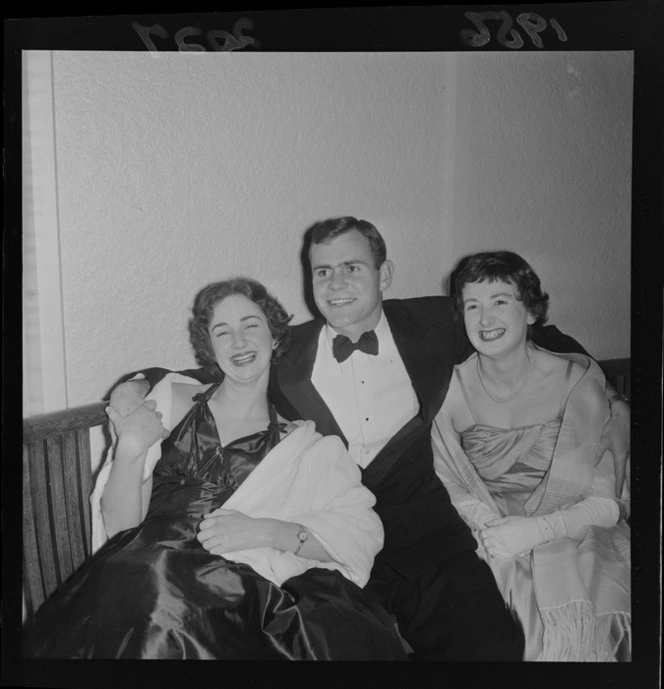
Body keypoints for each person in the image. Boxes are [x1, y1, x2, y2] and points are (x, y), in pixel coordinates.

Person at [110, 217, 630, 660]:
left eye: (352, 267)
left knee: (487, 644)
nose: (336, 282)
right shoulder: (284, 351)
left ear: (384, 274)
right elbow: (214, 367)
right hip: (333, 547)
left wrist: (609, 393)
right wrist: (133, 385)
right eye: (323, 271)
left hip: (431, 537)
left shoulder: (434, 323)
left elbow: (531, 334)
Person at [22, 278, 408, 660]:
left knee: (161, 596)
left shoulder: (303, 446)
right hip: (142, 566)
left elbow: (359, 534)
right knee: (149, 580)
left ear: (274, 337)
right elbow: (121, 529)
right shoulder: (170, 401)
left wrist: (265, 531)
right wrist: (131, 449)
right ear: (211, 348)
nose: (238, 342)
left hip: (225, 583)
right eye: (222, 333)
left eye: (250, 326)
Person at [431, 251, 631, 661]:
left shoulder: (575, 380)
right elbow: (448, 482)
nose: (485, 319)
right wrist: (494, 529)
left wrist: (537, 532)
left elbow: (608, 502)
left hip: (578, 525)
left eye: (500, 301)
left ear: (532, 312)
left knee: (609, 621)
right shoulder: (448, 388)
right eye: (473, 306)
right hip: (488, 530)